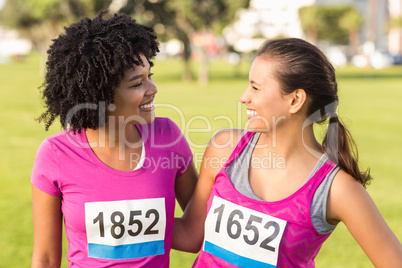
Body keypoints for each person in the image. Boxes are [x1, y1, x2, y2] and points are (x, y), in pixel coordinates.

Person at [173, 38, 402, 267]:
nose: (244, 97)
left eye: (255, 87)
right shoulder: (224, 149)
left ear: (295, 100)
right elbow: (191, 235)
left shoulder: (337, 189)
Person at [31, 11, 197, 267]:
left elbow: (196, 231)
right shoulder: (55, 154)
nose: (153, 90)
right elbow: (45, 258)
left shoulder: (168, 137)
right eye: (136, 83)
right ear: (101, 96)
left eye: (149, 76)